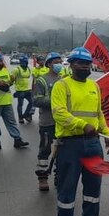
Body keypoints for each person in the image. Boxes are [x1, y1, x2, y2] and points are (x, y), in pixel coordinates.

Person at [51, 47, 109, 216]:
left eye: (87, 63)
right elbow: (59, 113)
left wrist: (107, 133)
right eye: (81, 63)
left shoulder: (93, 86)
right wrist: (82, 125)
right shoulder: (62, 86)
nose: (85, 66)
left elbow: (99, 113)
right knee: (67, 188)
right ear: (71, 64)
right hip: (70, 144)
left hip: (93, 144)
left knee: (93, 188)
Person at [32, 52, 63, 191]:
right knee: (45, 149)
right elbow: (37, 100)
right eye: (56, 62)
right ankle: (42, 177)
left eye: (60, 62)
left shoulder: (63, 80)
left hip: (62, 123)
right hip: (47, 121)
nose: (59, 64)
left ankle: (59, 175)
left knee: (62, 150)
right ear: (49, 64)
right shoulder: (42, 80)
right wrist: (56, 102)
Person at [0, 53, 30, 151]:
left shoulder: (6, 71)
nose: (2, 62)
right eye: (0, 61)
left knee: (12, 122)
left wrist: (11, 81)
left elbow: (7, 85)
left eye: (2, 60)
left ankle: (17, 139)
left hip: (7, 102)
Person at [11, 55, 34, 124]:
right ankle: (20, 118)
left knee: (32, 102)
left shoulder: (29, 69)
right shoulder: (16, 70)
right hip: (20, 90)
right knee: (20, 105)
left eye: (24, 62)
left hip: (28, 90)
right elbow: (11, 79)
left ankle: (25, 115)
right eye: (21, 62)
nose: (23, 63)